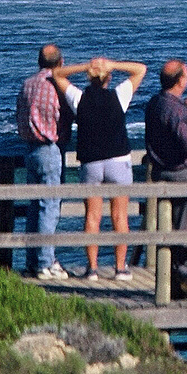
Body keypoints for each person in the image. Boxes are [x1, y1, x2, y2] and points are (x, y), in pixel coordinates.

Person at [55, 56, 146, 281]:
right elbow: (140, 69)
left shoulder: (79, 98)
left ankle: (92, 269)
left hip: (91, 162)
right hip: (118, 160)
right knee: (120, 216)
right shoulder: (119, 95)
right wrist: (113, 64)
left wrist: (86, 66)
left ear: (89, 77)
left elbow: (57, 74)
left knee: (92, 217)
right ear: (109, 78)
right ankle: (120, 268)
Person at [144, 58, 187, 300]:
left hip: (162, 172)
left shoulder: (155, 103)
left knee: (172, 228)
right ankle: (185, 278)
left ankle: (172, 277)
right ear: (180, 80)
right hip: (183, 175)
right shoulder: (176, 110)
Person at [14, 43, 73, 279]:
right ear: (61, 62)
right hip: (50, 148)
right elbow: (64, 114)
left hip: (30, 149)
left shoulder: (27, 84)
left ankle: (32, 260)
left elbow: (18, 114)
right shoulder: (55, 85)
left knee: (34, 207)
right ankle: (45, 262)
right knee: (49, 208)